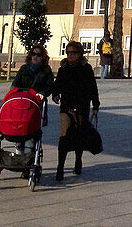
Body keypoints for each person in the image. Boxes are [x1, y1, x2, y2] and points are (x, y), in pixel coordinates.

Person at [53, 41, 99, 181]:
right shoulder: (63, 69)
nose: (70, 55)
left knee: (79, 134)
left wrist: (95, 105)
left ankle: (78, 160)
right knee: (64, 134)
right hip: (66, 106)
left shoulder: (86, 69)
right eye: (68, 52)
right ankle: (60, 167)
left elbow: (92, 88)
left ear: (79, 54)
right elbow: (57, 85)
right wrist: (55, 94)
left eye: (73, 52)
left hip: (82, 106)